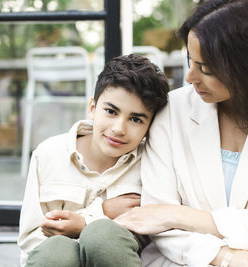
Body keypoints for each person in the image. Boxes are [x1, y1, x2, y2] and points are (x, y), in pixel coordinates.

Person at [114, 0, 248, 266]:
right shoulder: (172, 112)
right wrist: (232, 259)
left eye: (205, 68)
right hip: (187, 260)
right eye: (190, 61)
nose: (191, 77)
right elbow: (157, 223)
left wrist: (180, 216)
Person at [17, 54, 169, 267]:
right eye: (110, 111)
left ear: (149, 126)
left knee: (103, 236)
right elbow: (31, 238)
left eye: (135, 119)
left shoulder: (151, 162)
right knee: (56, 251)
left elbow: (157, 235)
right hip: (56, 260)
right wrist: (101, 212)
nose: (118, 129)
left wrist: (89, 225)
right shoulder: (48, 154)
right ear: (92, 108)